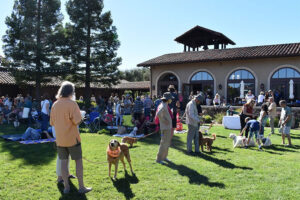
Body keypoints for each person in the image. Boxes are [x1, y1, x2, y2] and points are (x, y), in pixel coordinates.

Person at [50, 81, 92, 194]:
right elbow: (77, 121)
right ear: (71, 92)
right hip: (72, 139)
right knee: (78, 162)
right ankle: (81, 187)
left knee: (63, 162)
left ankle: (66, 187)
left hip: (60, 139)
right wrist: (82, 117)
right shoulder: (72, 104)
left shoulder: (55, 104)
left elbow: (52, 122)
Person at [155, 92, 173, 164]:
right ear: (168, 99)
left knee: (167, 143)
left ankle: (164, 157)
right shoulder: (163, 105)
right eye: (170, 98)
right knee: (163, 143)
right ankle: (159, 159)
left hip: (167, 127)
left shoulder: (164, 104)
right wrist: (164, 120)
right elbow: (158, 114)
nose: (171, 100)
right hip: (165, 128)